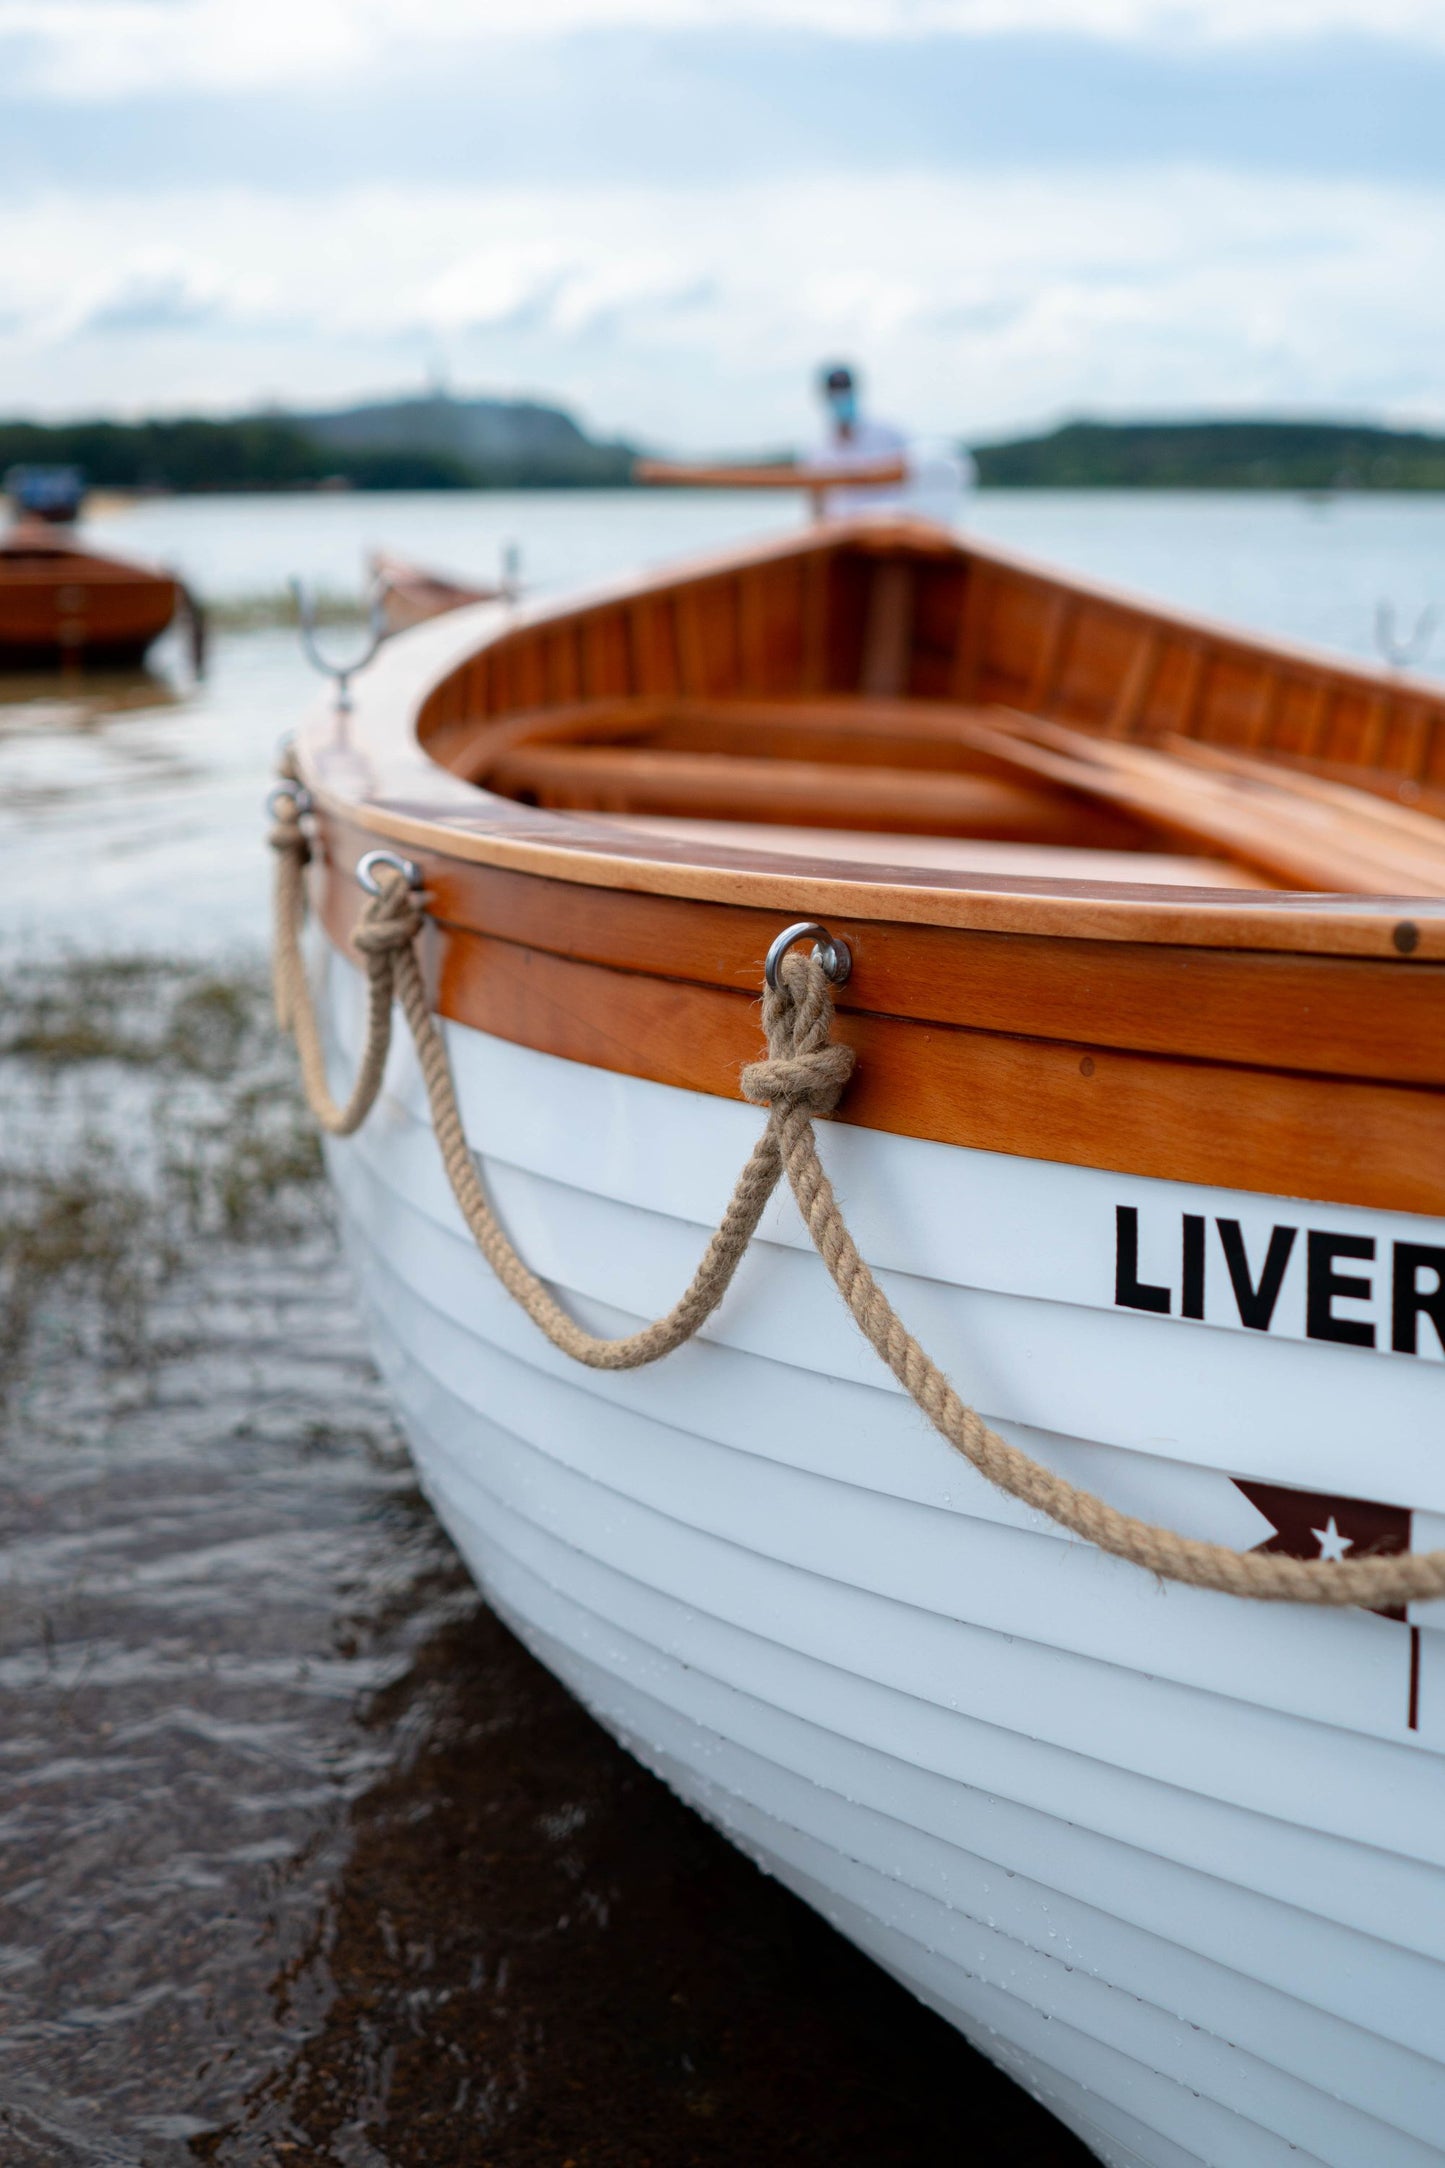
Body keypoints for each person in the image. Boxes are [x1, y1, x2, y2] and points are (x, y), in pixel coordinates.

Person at [809, 363, 973, 520]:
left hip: (892, 525)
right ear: (826, 397)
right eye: (836, 392)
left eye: (845, 390)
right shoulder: (819, 448)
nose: (841, 397)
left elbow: (925, 468)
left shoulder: (890, 432)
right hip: (840, 533)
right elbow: (816, 502)